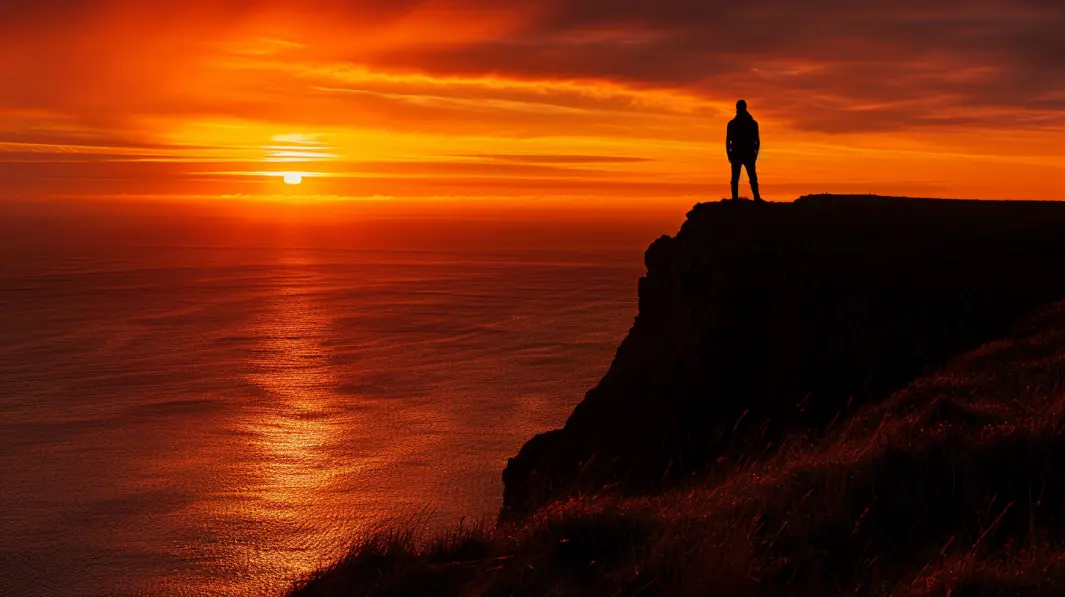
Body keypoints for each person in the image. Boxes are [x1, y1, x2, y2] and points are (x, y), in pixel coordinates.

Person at [726, 99, 763, 202]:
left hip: (747, 153)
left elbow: (757, 140)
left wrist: (755, 154)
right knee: (735, 178)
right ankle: (735, 198)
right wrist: (729, 154)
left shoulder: (752, 123)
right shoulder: (732, 124)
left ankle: (756, 197)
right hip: (738, 153)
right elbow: (728, 140)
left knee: (752, 178)